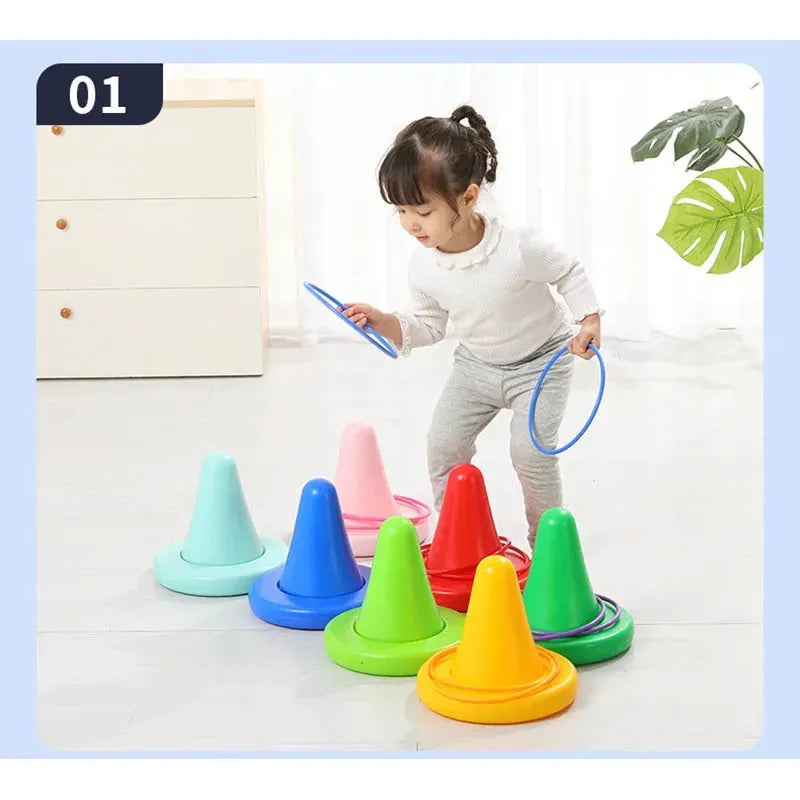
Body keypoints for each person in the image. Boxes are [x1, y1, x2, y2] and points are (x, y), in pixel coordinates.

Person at [343, 105, 603, 551]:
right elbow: (429, 325)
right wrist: (384, 321)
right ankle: (457, 538)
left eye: (421, 210)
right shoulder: (424, 267)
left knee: (530, 452)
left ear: (468, 197)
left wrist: (589, 318)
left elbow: (569, 271)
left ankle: (547, 548)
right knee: (443, 446)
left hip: (542, 363)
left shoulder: (519, 247)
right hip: (476, 368)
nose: (410, 224)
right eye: (401, 211)